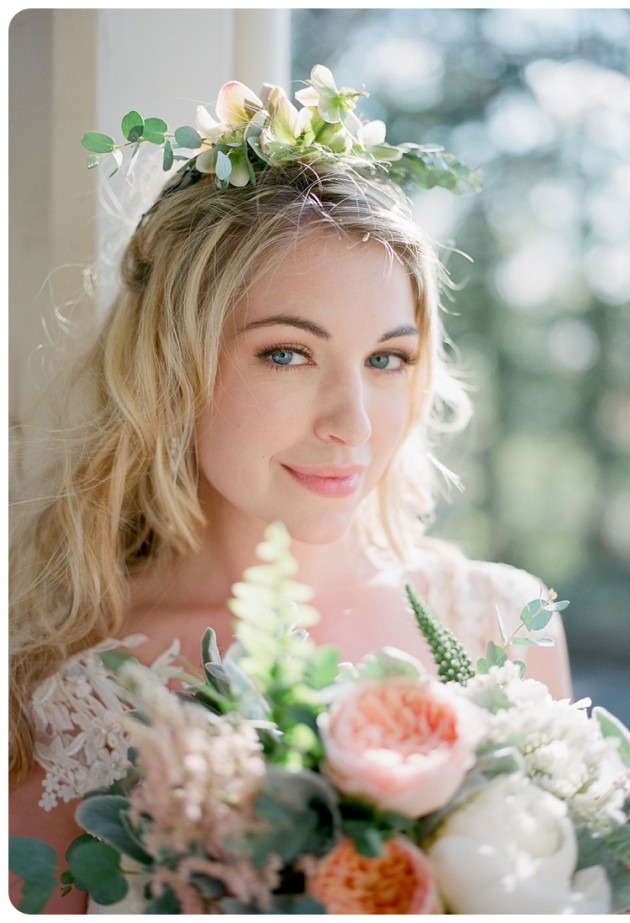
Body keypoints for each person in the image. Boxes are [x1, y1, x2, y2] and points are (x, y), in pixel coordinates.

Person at [8, 67, 571, 914]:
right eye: (287, 352)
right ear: (175, 366)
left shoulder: (503, 625)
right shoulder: (73, 685)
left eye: (387, 358)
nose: (355, 422)